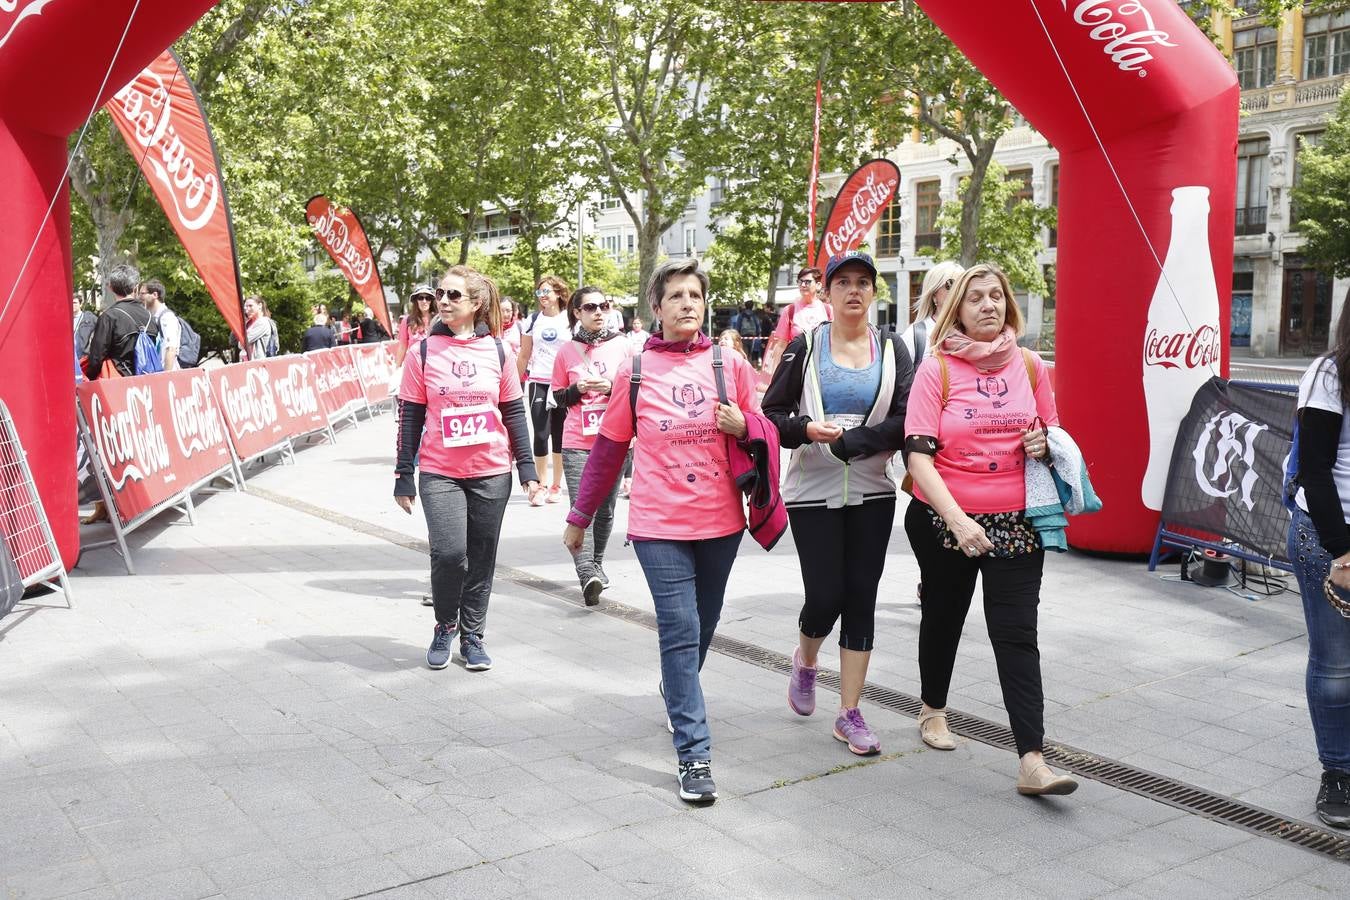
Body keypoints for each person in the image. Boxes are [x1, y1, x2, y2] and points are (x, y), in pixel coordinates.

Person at [563, 259, 761, 804]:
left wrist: (744, 425)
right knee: (679, 628)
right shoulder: (635, 369)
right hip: (658, 523)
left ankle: (678, 688)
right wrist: (579, 518)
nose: (687, 304)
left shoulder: (729, 364)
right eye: (675, 296)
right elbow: (606, 451)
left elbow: (762, 427)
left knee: (703, 625)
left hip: (721, 521)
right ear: (657, 307)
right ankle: (694, 755)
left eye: (695, 295)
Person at [902, 262, 1075, 797]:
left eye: (996, 296)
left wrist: (1044, 444)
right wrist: (957, 521)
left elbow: (1051, 430)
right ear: (956, 308)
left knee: (1017, 633)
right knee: (945, 616)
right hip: (944, 519)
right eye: (974, 297)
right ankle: (933, 709)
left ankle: (1033, 761)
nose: (988, 305)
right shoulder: (938, 370)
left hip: (1017, 522)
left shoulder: (1029, 365)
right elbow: (917, 456)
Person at [763, 251, 912, 756]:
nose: (853, 290)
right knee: (826, 595)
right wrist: (806, 429)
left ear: (874, 293)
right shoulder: (805, 347)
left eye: (863, 283)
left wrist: (857, 442)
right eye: (843, 282)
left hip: (873, 490)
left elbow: (908, 417)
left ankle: (849, 712)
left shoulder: (892, 348)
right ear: (826, 293)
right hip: (812, 492)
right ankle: (806, 662)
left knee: (861, 597)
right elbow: (771, 416)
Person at [395, 265, 544, 672]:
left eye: (453, 295)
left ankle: (473, 635)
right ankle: (446, 623)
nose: (442, 301)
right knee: (449, 554)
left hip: (492, 470)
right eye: (440, 294)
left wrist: (528, 470)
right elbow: (410, 415)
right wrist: (403, 473)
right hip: (440, 471)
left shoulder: (499, 351)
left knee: (482, 555)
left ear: (476, 303)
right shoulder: (421, 352)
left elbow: (514, 412)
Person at [1286, 304, 1350, 829]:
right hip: (1331, 538)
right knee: (1336, 667)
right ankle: (1339, 773)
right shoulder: (1331, 374)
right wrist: (1343, 553)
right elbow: (1315, 471)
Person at [551, 286, 633, 605]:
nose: (599, 312)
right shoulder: (566, 351)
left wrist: (612, 386)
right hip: (576, 441)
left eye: (604, 306)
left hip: (613, 439)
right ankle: (586, 572)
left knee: (606, 507)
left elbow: (636, 388)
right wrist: (577, 388)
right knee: (581, 507)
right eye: (591, 307)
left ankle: (596, 562)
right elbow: (557, 397)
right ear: (577, 313)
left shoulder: (623, 346)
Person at [518, 276, 570, 504]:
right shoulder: (532, 320)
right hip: (538, 382)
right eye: (539, 292)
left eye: (547, 291)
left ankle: (557, 485)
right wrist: (511, 382)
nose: (543, 296)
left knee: (560, 435)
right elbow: (524, 354)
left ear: (559, 293)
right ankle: (541, 484)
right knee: (540, 435)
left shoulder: (570, 319)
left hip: (563, 385)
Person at [84, 263, 156, 380]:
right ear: (135, 288)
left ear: (110, 287)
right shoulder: (149, 316)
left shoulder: (109, 317)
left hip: (118, 381)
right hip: (146, 382)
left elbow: (97, 357)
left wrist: (90, 377)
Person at [763, 266, 832, 376]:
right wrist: (776, 377)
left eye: (807, 282)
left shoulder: (828, 310)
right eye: (800, 282)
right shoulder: (789, 310)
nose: (803, 285)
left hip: (822, 369)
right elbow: (781, 345)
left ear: (818, 285)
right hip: (796, 369)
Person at [901, 261, 964, 367]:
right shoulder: (913, 336)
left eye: (962, 286)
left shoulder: (974, 330)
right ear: (934, 295)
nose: (958, 291)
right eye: (951, 284)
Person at [138, 279, 180, 372]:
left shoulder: (167, 317)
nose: (139, 297)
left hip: (166, 374)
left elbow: (171, 349)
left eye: (142, 294)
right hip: (156, 373)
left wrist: (166, 376)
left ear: (155, 295)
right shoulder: (153, 317)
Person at [396, 286, 436, 365]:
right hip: (414, 365)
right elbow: (402, 346)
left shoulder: (438, 320)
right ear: (416, 301)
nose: (424, 301)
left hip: (433, 365)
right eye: (420, 298)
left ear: (431, 301)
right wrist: (397, 366)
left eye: (428, 298)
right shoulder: (407, 320)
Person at [238, 295, 272, 361]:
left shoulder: (263, 322)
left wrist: (241, 340)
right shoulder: (248, 323)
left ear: (260, 306)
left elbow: (241, 344)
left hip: (256, 364)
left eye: (250, 306)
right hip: (246, 362)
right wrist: (240, 322)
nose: (247, 309)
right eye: (246, 307)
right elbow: (232, 341)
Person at [730, 301, 765, 366]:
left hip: (743, 335)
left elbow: (738, 325)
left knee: (744, 351)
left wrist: (737, 335)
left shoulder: (742, 315)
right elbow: (758, 326)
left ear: (745, 306)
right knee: (751, 352)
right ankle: (750, 366)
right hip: (753, 336)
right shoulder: (754, 315)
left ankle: (744, 365)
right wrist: (758, 334)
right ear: (752, 307)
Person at [73, 296, 97, 360]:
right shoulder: (65, 319)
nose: (72, 305)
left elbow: (100, 332)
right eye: (71, 303)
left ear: (80, 304)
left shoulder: (90, 318)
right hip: (70, 357)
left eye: (75, 303)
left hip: (84, 357)